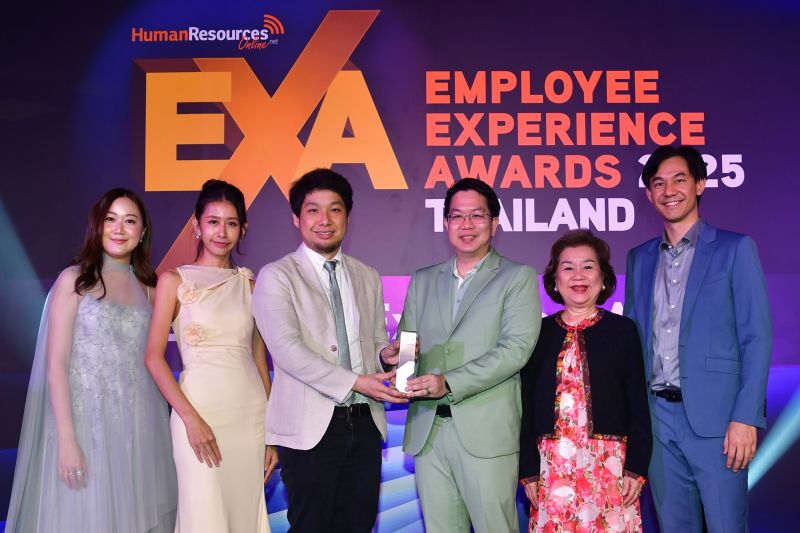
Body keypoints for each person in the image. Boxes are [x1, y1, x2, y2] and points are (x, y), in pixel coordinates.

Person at [5, 188, 177, 532]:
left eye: (130, 221)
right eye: (111, 219)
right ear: (98, 225)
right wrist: (67, 439)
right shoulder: (74, 281)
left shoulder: (152, 290)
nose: (119, 229)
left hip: (138, 431)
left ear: (142, 231)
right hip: (85, 427)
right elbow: (56, 365)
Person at [624, 145, 772, 532]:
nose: (669, 190)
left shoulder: (735, 249)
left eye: (679, 180)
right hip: (657, 421)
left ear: (700, 185)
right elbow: (633, 341)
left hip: (719, 422)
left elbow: (756, 338)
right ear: (649, 194)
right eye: (658, 183)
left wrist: (746, 417)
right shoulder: (639, 258)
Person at [252, 168, 407, 533]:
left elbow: (373, 341)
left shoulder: (367, 275)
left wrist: (387, 355)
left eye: (335, 209)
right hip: (309, 427)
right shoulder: (277, 275)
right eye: (313, 210)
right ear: (296, 218)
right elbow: (287, 350)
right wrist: (356, 381)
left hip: (364, 423)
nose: (325, 220)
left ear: (347, 217)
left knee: (359, 525)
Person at [398, 177, 541, 533]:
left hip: (486, 432)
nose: (466, 225)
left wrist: (448, 382)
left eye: (476, 215)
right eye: (457, 216)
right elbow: (407, 345)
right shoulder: (423, 280)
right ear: (445, 222)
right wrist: (394, 357)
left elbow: (515, 350)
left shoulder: (517, 277)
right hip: (429, 431)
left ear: (494, 223)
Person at [144, 179, 275, 532]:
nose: (222, 232)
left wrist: (273, 433)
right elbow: (153, 358)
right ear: (197, 225)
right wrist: (190, 419)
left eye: (231, 223)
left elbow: (260, 361)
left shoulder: (251, 287)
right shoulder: (173, 281)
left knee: (244, 516)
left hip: (249, 418)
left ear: (243, 229)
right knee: (203, 515)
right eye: (213, 221)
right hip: (198, 411)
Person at [518, 229, 652, 532]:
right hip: (552, 467)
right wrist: (528, 470)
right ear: (555, 280)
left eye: (588, 266)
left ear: (603, 278)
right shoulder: (537, 334)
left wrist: (636, 467)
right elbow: (524, 407)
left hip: (610, 466)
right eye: (568, 267)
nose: (578, 276)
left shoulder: (623, 331)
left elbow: (638, 405)